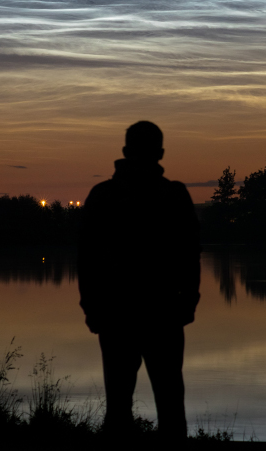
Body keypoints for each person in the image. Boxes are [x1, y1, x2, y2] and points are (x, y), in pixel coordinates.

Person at [78, 121, 201, 440]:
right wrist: (187, 301)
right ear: (160, 153)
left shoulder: (103, 196)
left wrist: (91, 307)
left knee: (122, 409)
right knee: (169, 405)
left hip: (121, 314)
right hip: (158, 313)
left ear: (125, 152)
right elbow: (190, 255)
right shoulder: (173, 196)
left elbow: (87, 260)